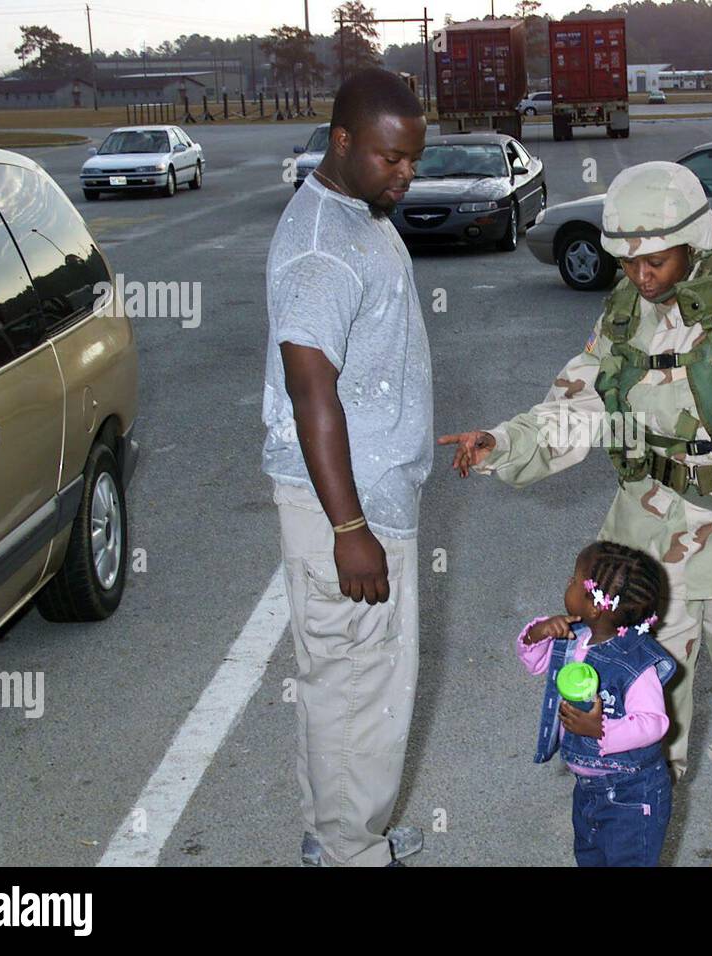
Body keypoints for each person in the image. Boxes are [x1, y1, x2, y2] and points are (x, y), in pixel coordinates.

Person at [439, 161, 712, 866]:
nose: (641, 274)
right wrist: (502, 443)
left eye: (655, 259)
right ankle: (644, 807)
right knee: (640, 682)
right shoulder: (625, 313)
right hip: (645, 533)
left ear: (693, 239)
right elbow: (579, 404)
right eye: (628, 261)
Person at [261, 68, 431, 867]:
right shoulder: (322, 249)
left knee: (347, 685)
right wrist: (350, 527)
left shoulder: (359, 211)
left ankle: (339, 835)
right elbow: (310, 390)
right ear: (341, 143)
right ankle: (349, 853)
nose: (405, 173)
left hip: (367, 492)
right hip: (346, 507)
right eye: (390, 158)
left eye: (413, 159)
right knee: (360, 690)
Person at [517, 541, 675, 867]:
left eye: (574, 580)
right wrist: (538, 634)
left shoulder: (636, 663)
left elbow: (654, 722)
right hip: (588, 785)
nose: (568, 584)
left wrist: (601, 729)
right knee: (590, 856)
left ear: (595, 606)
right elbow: (533, 662)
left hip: (632, 792)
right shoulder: (573, 638)